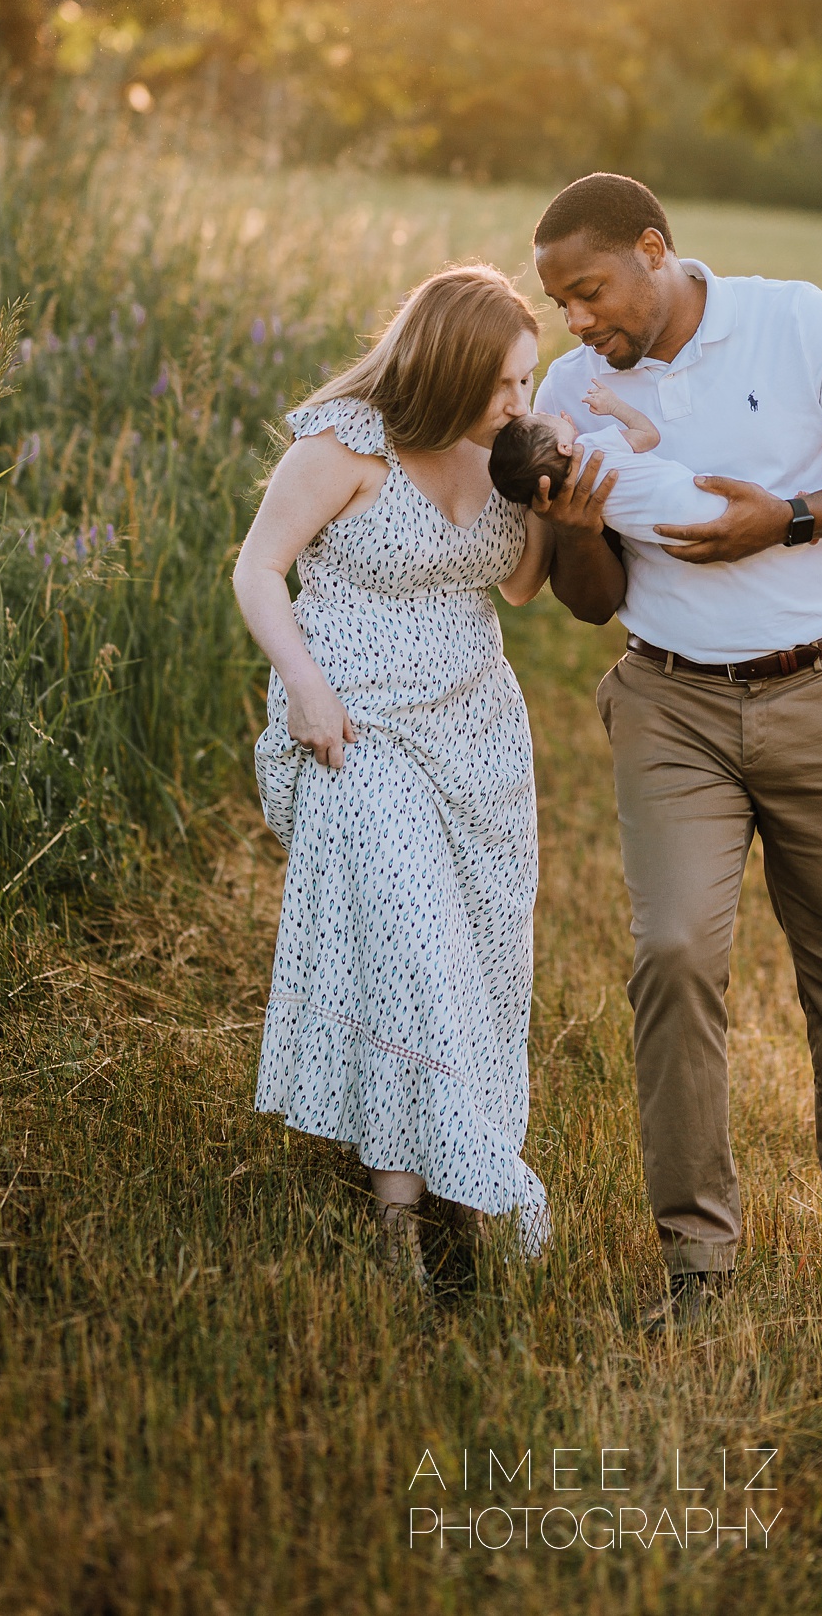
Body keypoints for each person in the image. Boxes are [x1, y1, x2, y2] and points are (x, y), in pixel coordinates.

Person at [530, 173, 822, 1331]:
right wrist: (573, 534)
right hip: (669, 704)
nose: (577, 323)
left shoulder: (797, 321)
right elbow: (589, 600)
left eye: (589, 292)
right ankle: (698, 1267)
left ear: (656, 251)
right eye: (561, 305)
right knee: (672, 957)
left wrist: (794, 516)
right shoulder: (570, 392)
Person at [233, 264, 553, 1291]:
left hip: (478, 732)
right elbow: (257, 568)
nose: (520, 404)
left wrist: (549, 496)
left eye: (529, 384)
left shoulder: (502, 451)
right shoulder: (346, 440)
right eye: (507, 384)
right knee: (414, 952)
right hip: (358, 730)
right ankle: (397, 1224)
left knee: (479, 959)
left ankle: (457, 1158)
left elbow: (521, 585)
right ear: (455, 364)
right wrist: (305, 687)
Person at [488, 379, 727, 544]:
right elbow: (649, 436)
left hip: (672, 537)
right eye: (546, 417)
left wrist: (569, 434)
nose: (554, 414)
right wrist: (614, 406)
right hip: (700, 502)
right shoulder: (593, 445)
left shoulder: (572, 499)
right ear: (564, 447)